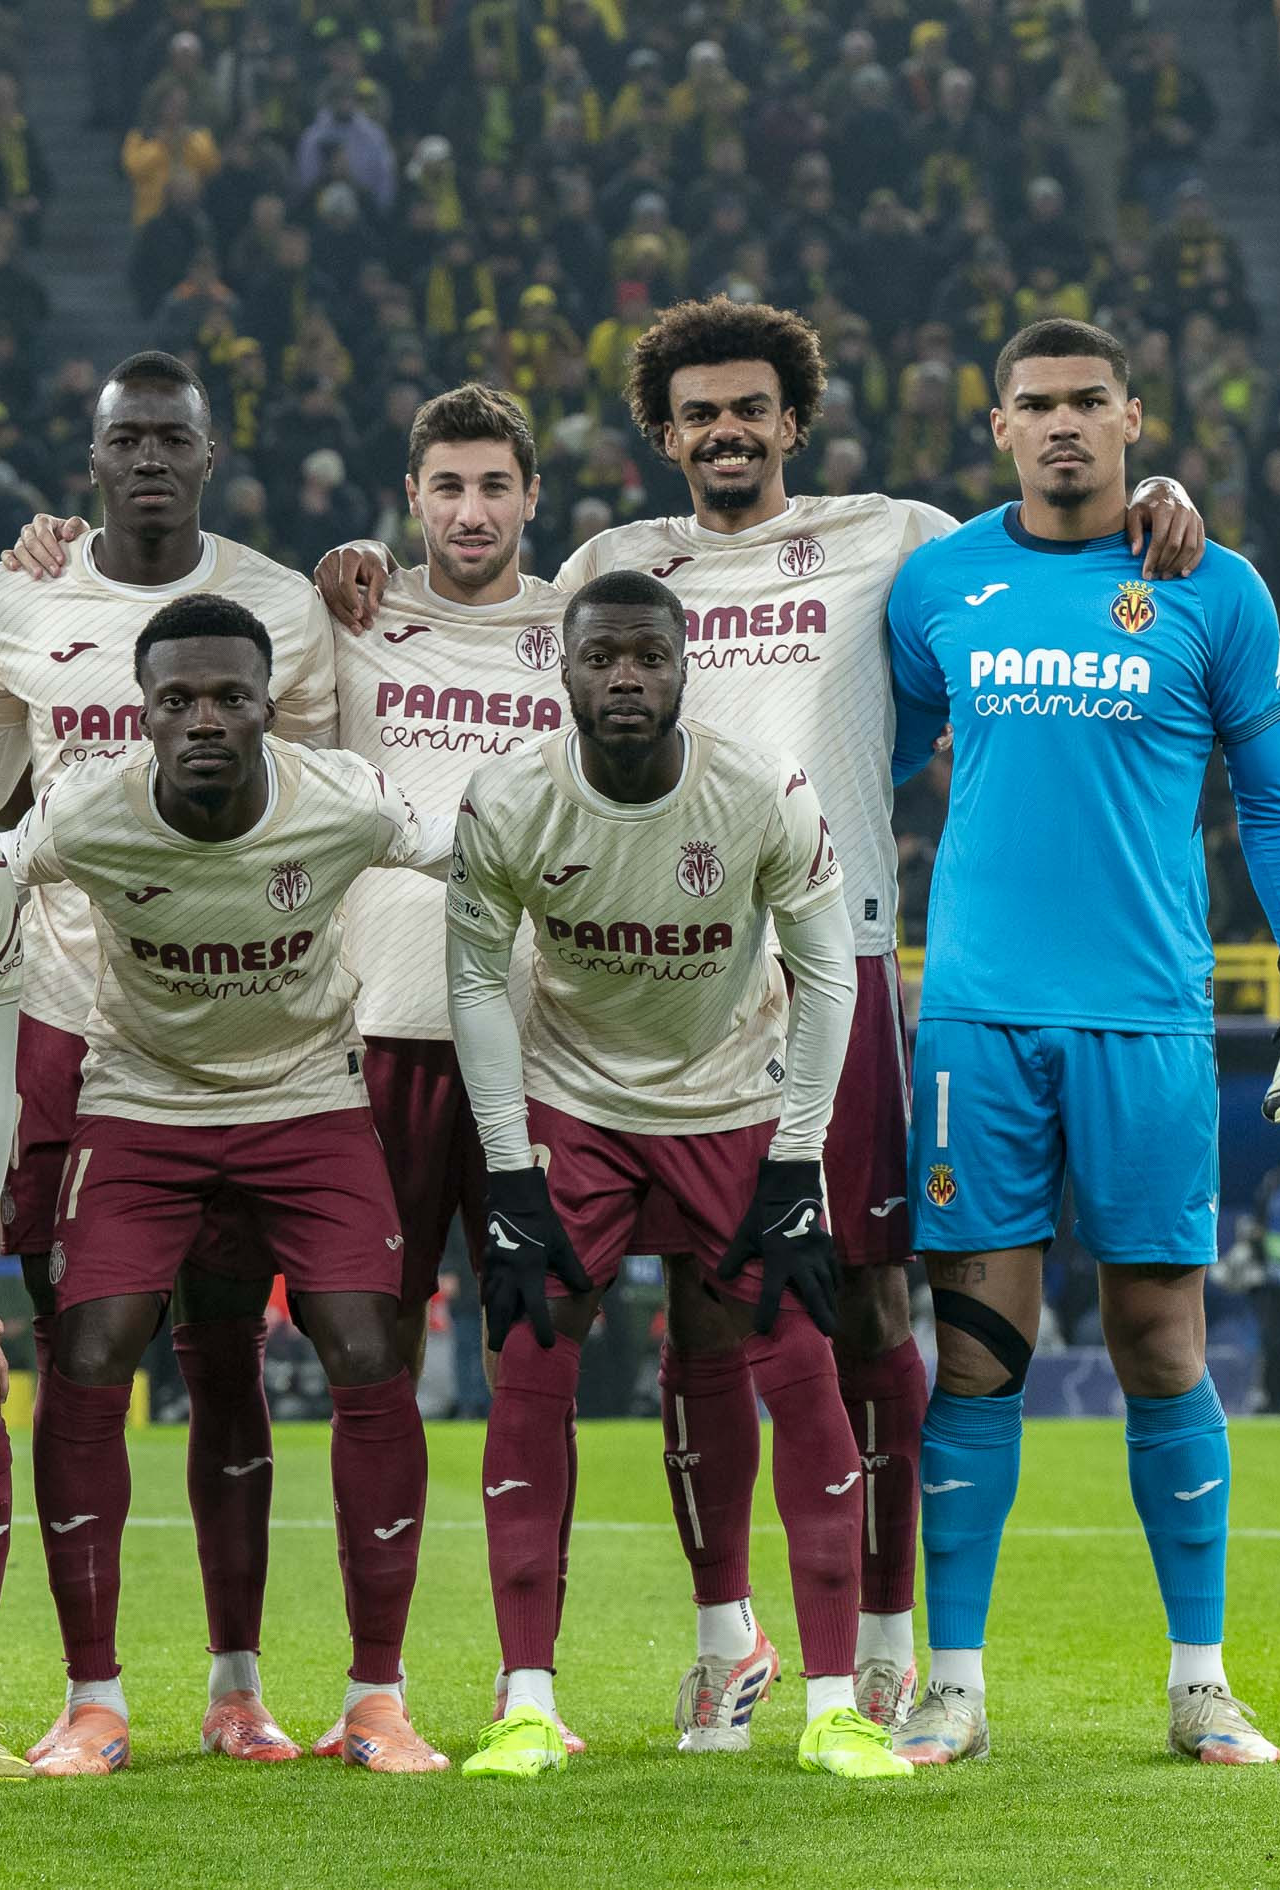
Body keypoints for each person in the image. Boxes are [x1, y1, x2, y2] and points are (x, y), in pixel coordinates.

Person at [308, 299, 1210, 1739]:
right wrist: (362, 571)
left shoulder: (893, 536)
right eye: (697, 415)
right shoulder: (611, 564)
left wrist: (1149, 499)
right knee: (698, 1317)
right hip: (650, 989)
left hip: (832, 959)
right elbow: (477, 611)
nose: (724, 432)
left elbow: (1039, 549)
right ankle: (725, 1636)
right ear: (662, 437)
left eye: (748, 409)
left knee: (862, 1302)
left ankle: (886, 1645)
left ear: (793, 420)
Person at [887, 318, 1280, 1767]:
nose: (1061, 423)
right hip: (976, 1016)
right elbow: (863, 769)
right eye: (1034, 403)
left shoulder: (1214, 587)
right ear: (997, 428)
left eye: (1087, 400)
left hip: (1147, 1015)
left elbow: (1272, 803)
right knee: (977, 1352)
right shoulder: (937, 582)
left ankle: (1199, 1680)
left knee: (1162, 1340)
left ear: (1133, 417)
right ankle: (953, 1687)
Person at [446, 569, 901, 1781]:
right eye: (603, 658)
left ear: (686, 667)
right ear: (563, 669)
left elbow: (831, 975)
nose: (626, 678)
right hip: (576, 1104)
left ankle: (835, 1706)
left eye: (649, 656)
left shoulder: (760, 792)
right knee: (528, 1358)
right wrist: (509, 1172)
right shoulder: (508, 799)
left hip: (733, 1102)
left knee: (801, 1364)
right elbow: (477, 981)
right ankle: (527, 1702)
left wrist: (797, 1157)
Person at [0, 350, 340, 1762]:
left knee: (227, 1351)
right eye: (129, 440)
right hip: (60, 1018)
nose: (152, 460)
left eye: (175, 438)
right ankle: (92, 1692)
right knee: (80, 1356)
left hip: (229, 1030)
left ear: (209, 454)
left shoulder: (284, 607)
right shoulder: (20, 596)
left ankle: (237, 1685)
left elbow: (320, 805)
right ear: (95, 455)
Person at [10, 594, 448, 1777]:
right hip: (143, 1099)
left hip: (306, 1097)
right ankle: (95, 1701)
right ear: (143, 713)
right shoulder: (86, 812)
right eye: (178, 699)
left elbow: (472, 851)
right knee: (89, 1347)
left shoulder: (342, 800)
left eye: (228, 697)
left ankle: (375, 1697)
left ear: (269, 706)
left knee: (368, 1345)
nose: (204, 718)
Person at [319, 383, 581, 1749]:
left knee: (534, 1350)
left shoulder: (581, 628)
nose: (470, 512)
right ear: (409, 494)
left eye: (493, 486)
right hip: (378, 1035)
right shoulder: (347, 618)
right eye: (446, 487)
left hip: (545, 1046)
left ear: (532, 496)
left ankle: (527, 1685)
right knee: (372, 1362)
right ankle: (375, 1685)